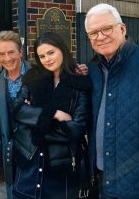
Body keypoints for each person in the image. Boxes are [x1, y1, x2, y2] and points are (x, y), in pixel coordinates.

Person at [85, 3, 139, 199]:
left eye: (106, 28)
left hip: (137, 187)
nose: (100, 37)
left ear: (122, 28)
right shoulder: (92, 70)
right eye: (93, 33)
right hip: (101, 182)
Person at [11, 32, 91, 199]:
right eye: (41, 56)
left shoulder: (79, 82)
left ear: (62, 49)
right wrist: (54, 114)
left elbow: (77, 128)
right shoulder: (32, 78)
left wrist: (34, 123)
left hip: (61, 166)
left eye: (51, 52)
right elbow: (17, 110)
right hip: (29, 159)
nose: (47, 59)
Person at [0, 30, 31, 199]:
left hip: (33, 145)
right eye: (2, 54)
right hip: (7, 144)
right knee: (12, 189)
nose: (7, 58)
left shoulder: (38, 73)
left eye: (11, 52)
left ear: (21, 52)